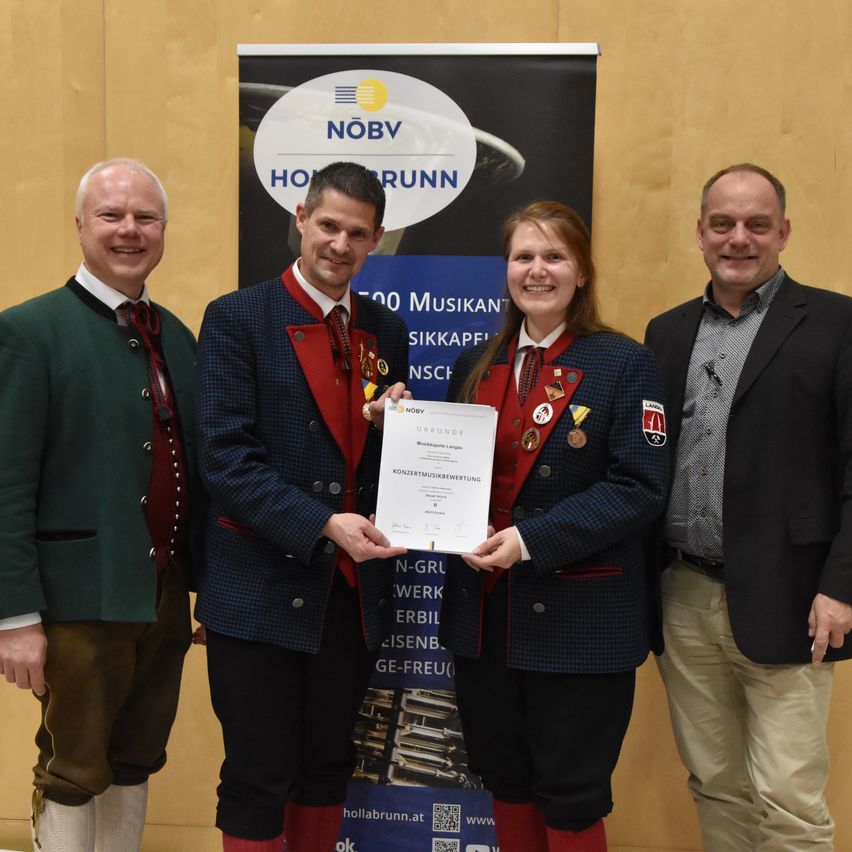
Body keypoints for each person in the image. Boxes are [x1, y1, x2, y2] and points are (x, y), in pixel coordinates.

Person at [439, 201, 669, 852]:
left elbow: (639, 487)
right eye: (523, 257)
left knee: (570, 795)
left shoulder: (623, 364)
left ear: (582, 271)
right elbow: (450, 474)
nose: (537, 270)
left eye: (554, 256)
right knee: (505, 781)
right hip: (486, 618)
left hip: (580, 620)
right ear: (506, 270)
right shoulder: (474, 366)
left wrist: (529, 540)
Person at [195, 161, 409, 852]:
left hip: (350, 595)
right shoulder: (236, 318)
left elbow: (375, 467)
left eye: (357, 232)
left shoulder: (387, 329)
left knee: (325, 768)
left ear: (376, 240)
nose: (339, 245)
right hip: (259, 590)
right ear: (299, 218)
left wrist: (395, 432)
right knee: (257, 778)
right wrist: (321, 524)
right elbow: (225, 459)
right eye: (328, 226)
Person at [645, 163, 852, 850]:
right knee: (716, 784)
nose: (739, 238)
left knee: (788, 799)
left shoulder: (836, 323)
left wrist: (840, 586)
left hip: (792, 598)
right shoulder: (666, 333)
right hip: (682, 594)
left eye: (756, 225)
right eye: (723, 224)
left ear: (783, 232)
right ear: (700, 234)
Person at [0, 158, 200, 851]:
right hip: (76, 601)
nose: (129, 229)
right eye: (112, 215)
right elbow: (7, 483)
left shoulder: (176, 334)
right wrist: (16, 617)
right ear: (81, 225)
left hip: (162, 599)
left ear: (164, 229)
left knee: (136, 758)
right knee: (73, 768)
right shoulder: (28, 331)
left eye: (145, 216)